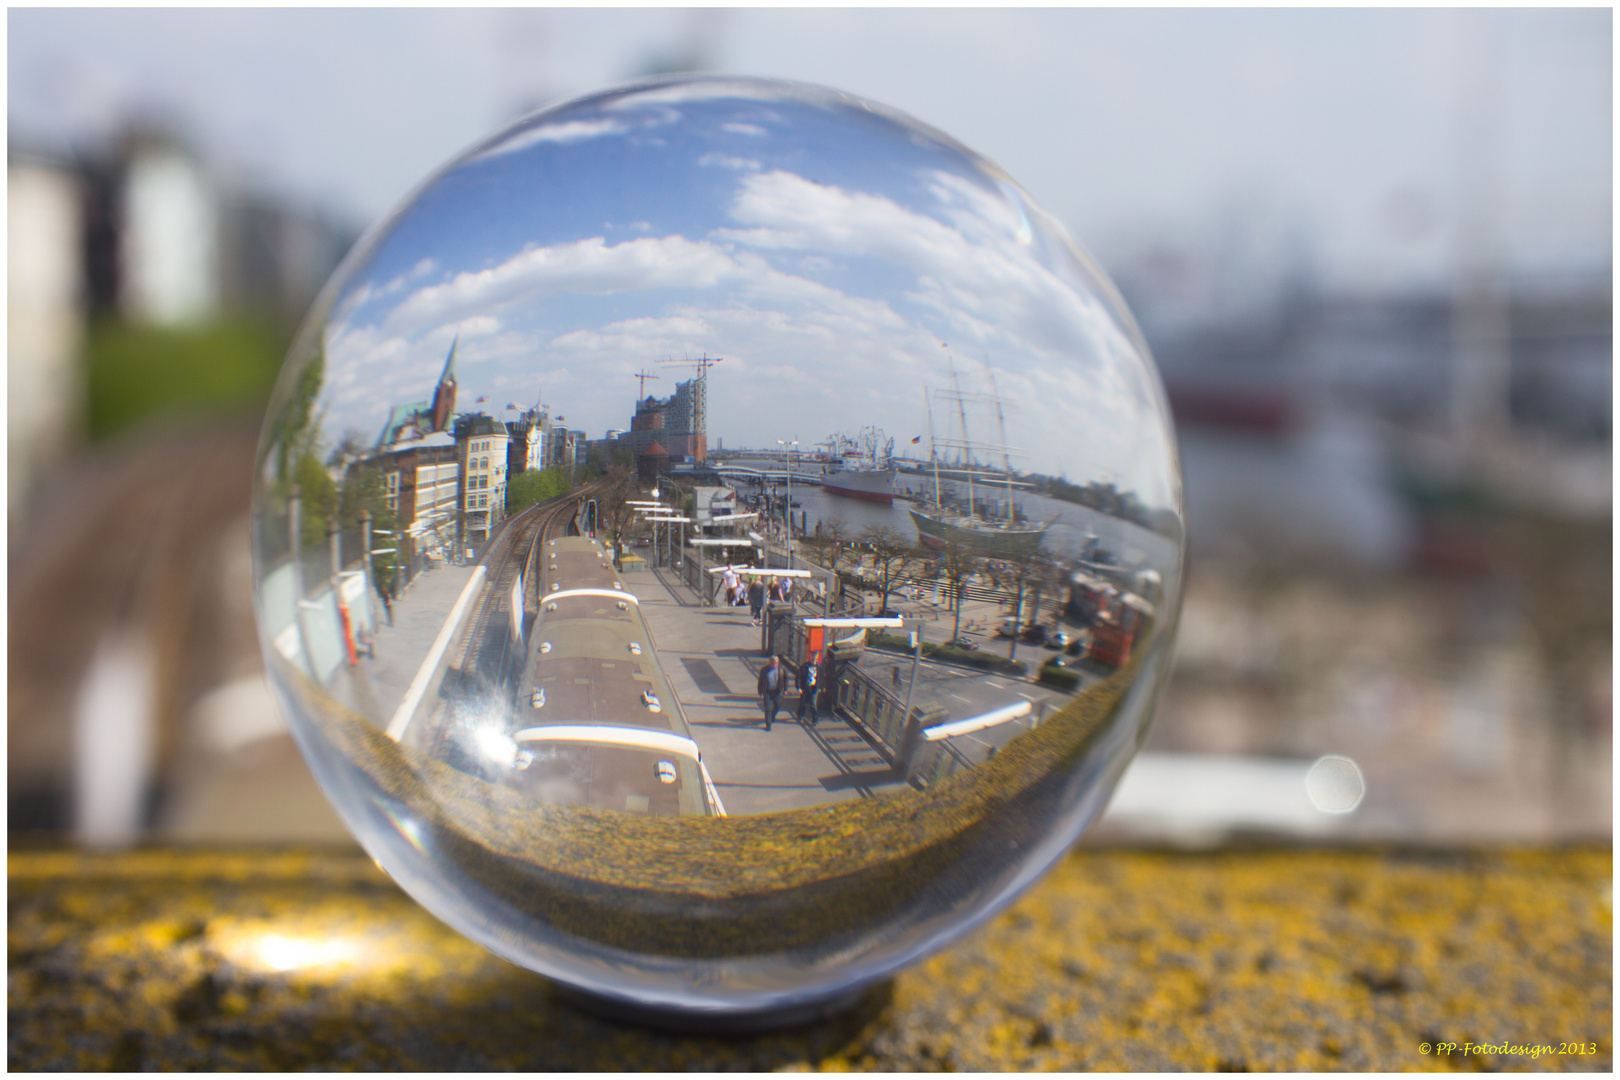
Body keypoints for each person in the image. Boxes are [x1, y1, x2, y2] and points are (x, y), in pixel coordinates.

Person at [757, 655, 785, 731]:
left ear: (778, 663)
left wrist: (785, 690)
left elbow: (785, 680)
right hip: (767, 691)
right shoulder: (764, 670)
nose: (774, 665)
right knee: (768, 708)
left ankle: (772, 715)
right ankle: (768, 724)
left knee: (777, 705)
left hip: (777, 691)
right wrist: (760, 690)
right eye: (772, 663)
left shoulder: (781, 669)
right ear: (769, 662)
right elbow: (760, 680)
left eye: (776, 663)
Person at [796, 650, 821, 724]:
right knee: (803, 702)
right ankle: (800, 714)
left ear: (818, 657)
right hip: (806, 687)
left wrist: (820, 687)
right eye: (813, 656)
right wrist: (798, 687)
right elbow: (799, 676)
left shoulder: (819, 667)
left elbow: (821, 678)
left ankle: (815, 719)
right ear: (811, 656)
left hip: (814, 688)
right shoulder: (805, 666)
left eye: (816, 657)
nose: (814, 658)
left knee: (813, 704)